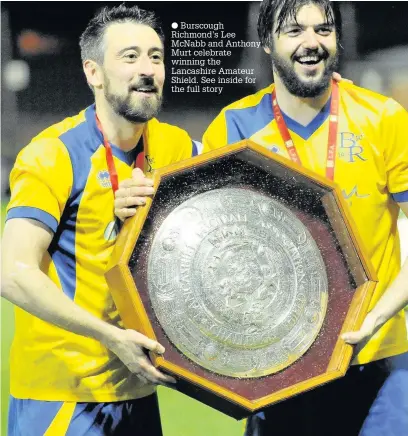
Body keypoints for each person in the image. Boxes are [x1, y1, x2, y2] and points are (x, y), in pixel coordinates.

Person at [202, 0, 408, 435]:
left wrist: (375, 317)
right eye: (294, 30)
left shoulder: (382, 118)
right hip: (280, 367)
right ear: (268, 42)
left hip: (380, 357)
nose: (311, 42)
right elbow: (212, 254)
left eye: (323, 29)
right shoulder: (233, 129)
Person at [1, 4, 202, 436]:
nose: (147, 69)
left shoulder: (176, 146)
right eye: (129, 57)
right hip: (62, 397)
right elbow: (11, 273)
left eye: (155, 56)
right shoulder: (52, 154)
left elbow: (246, 170)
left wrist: (312, 94)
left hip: (139, 391)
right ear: (93, 73)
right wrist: (111, 337)